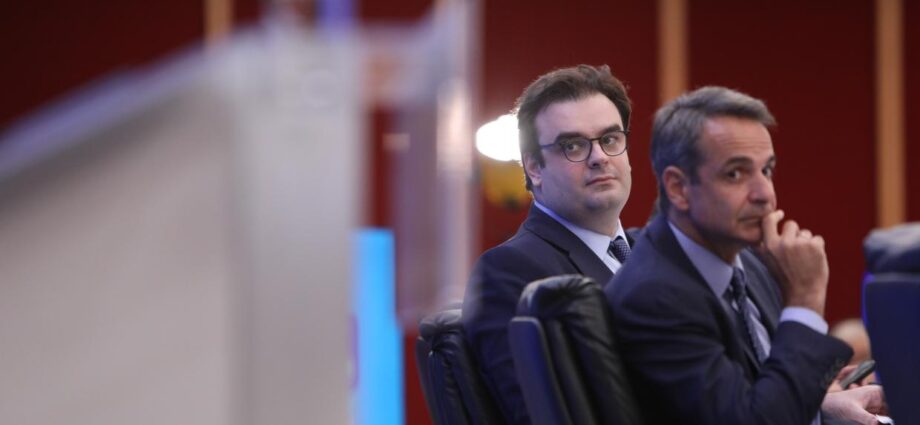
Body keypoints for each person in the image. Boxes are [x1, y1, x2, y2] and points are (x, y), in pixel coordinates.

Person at [606, 86, 887, 424]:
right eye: (735, 173)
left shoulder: (751, 263)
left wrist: (824, 407)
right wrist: (805, 299)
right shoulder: (654, 297)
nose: (765, 194)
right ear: (678, 188)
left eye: (766, 170)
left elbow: (764, 395)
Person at [462, 64, 636, 424]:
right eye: (572, 145)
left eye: (610, 139)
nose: (600, 157)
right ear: (534, 168)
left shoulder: (650, 253)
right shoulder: (508, 271)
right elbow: (538, 414)